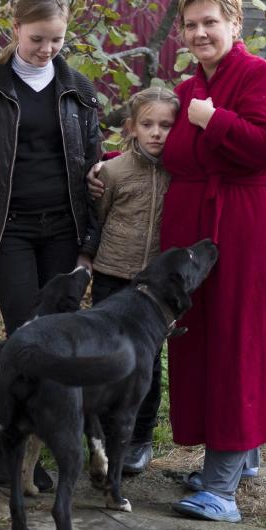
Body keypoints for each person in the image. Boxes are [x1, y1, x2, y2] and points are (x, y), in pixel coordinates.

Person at [90, 0, 266, 522]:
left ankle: (221, 489)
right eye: (190, 24)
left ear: (235, 24)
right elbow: (161, 143)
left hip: (251, 230)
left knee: (238, 345)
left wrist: (216, 120)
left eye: (211, 21)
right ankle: (241, 454)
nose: (200, 32)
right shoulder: (187, 90)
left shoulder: (261, 77)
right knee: (203, 345)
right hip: (198, 238)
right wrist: (111, 164)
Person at [0, 0, 102, 489]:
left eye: (56, 39)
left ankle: (49, 449)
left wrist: (88, 245)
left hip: (63, 232)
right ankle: (11, 457)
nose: (47, 49)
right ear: (15, 31)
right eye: (37, 39)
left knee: (60, 344)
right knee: (25, 340)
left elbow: (95, 174)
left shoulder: (78, 88)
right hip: (8, 235)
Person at [90, 86, 179, 474]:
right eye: (148, 124)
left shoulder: (181, 174)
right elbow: (99, 216)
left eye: (166, 125)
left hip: (153, 289)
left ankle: (139, 438)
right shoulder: (111, 172)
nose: (157, 133)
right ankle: (104, 438)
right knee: (106, 358)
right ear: (131, 127)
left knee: (146, 364)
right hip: (111, 275)